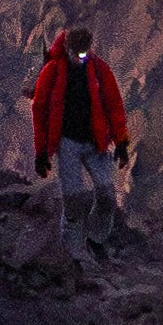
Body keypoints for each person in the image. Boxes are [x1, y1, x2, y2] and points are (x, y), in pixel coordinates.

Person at [31, 23, 130, 263]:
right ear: (67, 49)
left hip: (96, 142)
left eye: (84, 54)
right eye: (77, 54)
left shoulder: (99, 70)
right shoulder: (52, 72)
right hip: (67, 144)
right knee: (74, 202)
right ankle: (72, 256)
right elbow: (39, 111)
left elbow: (114, 106)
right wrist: (41, 152)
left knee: (107, 196)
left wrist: (121, 143)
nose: (80, 58)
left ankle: (96, 239)